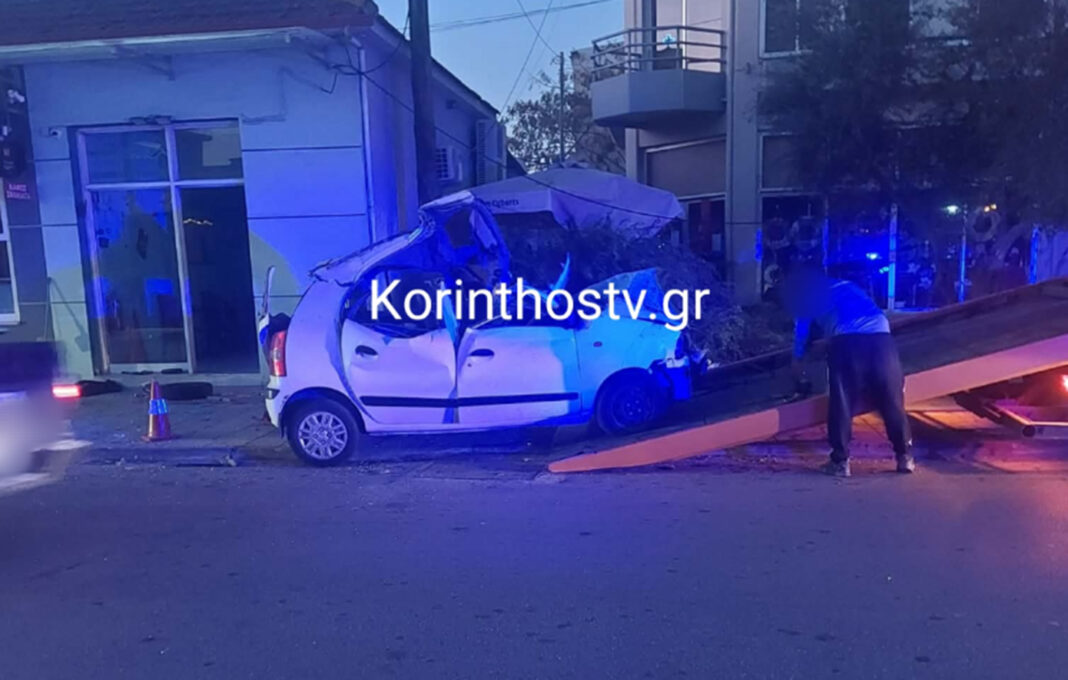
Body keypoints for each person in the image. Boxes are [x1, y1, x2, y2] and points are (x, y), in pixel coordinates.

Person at [784, 265, 915, 478]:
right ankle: (905, 457)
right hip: (882, 339)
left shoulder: (807, 295)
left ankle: (840, 461)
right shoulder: (848, 286)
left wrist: (797, 360)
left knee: (843, 401)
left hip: (847, 342)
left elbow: (802, 330)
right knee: (891, 398)